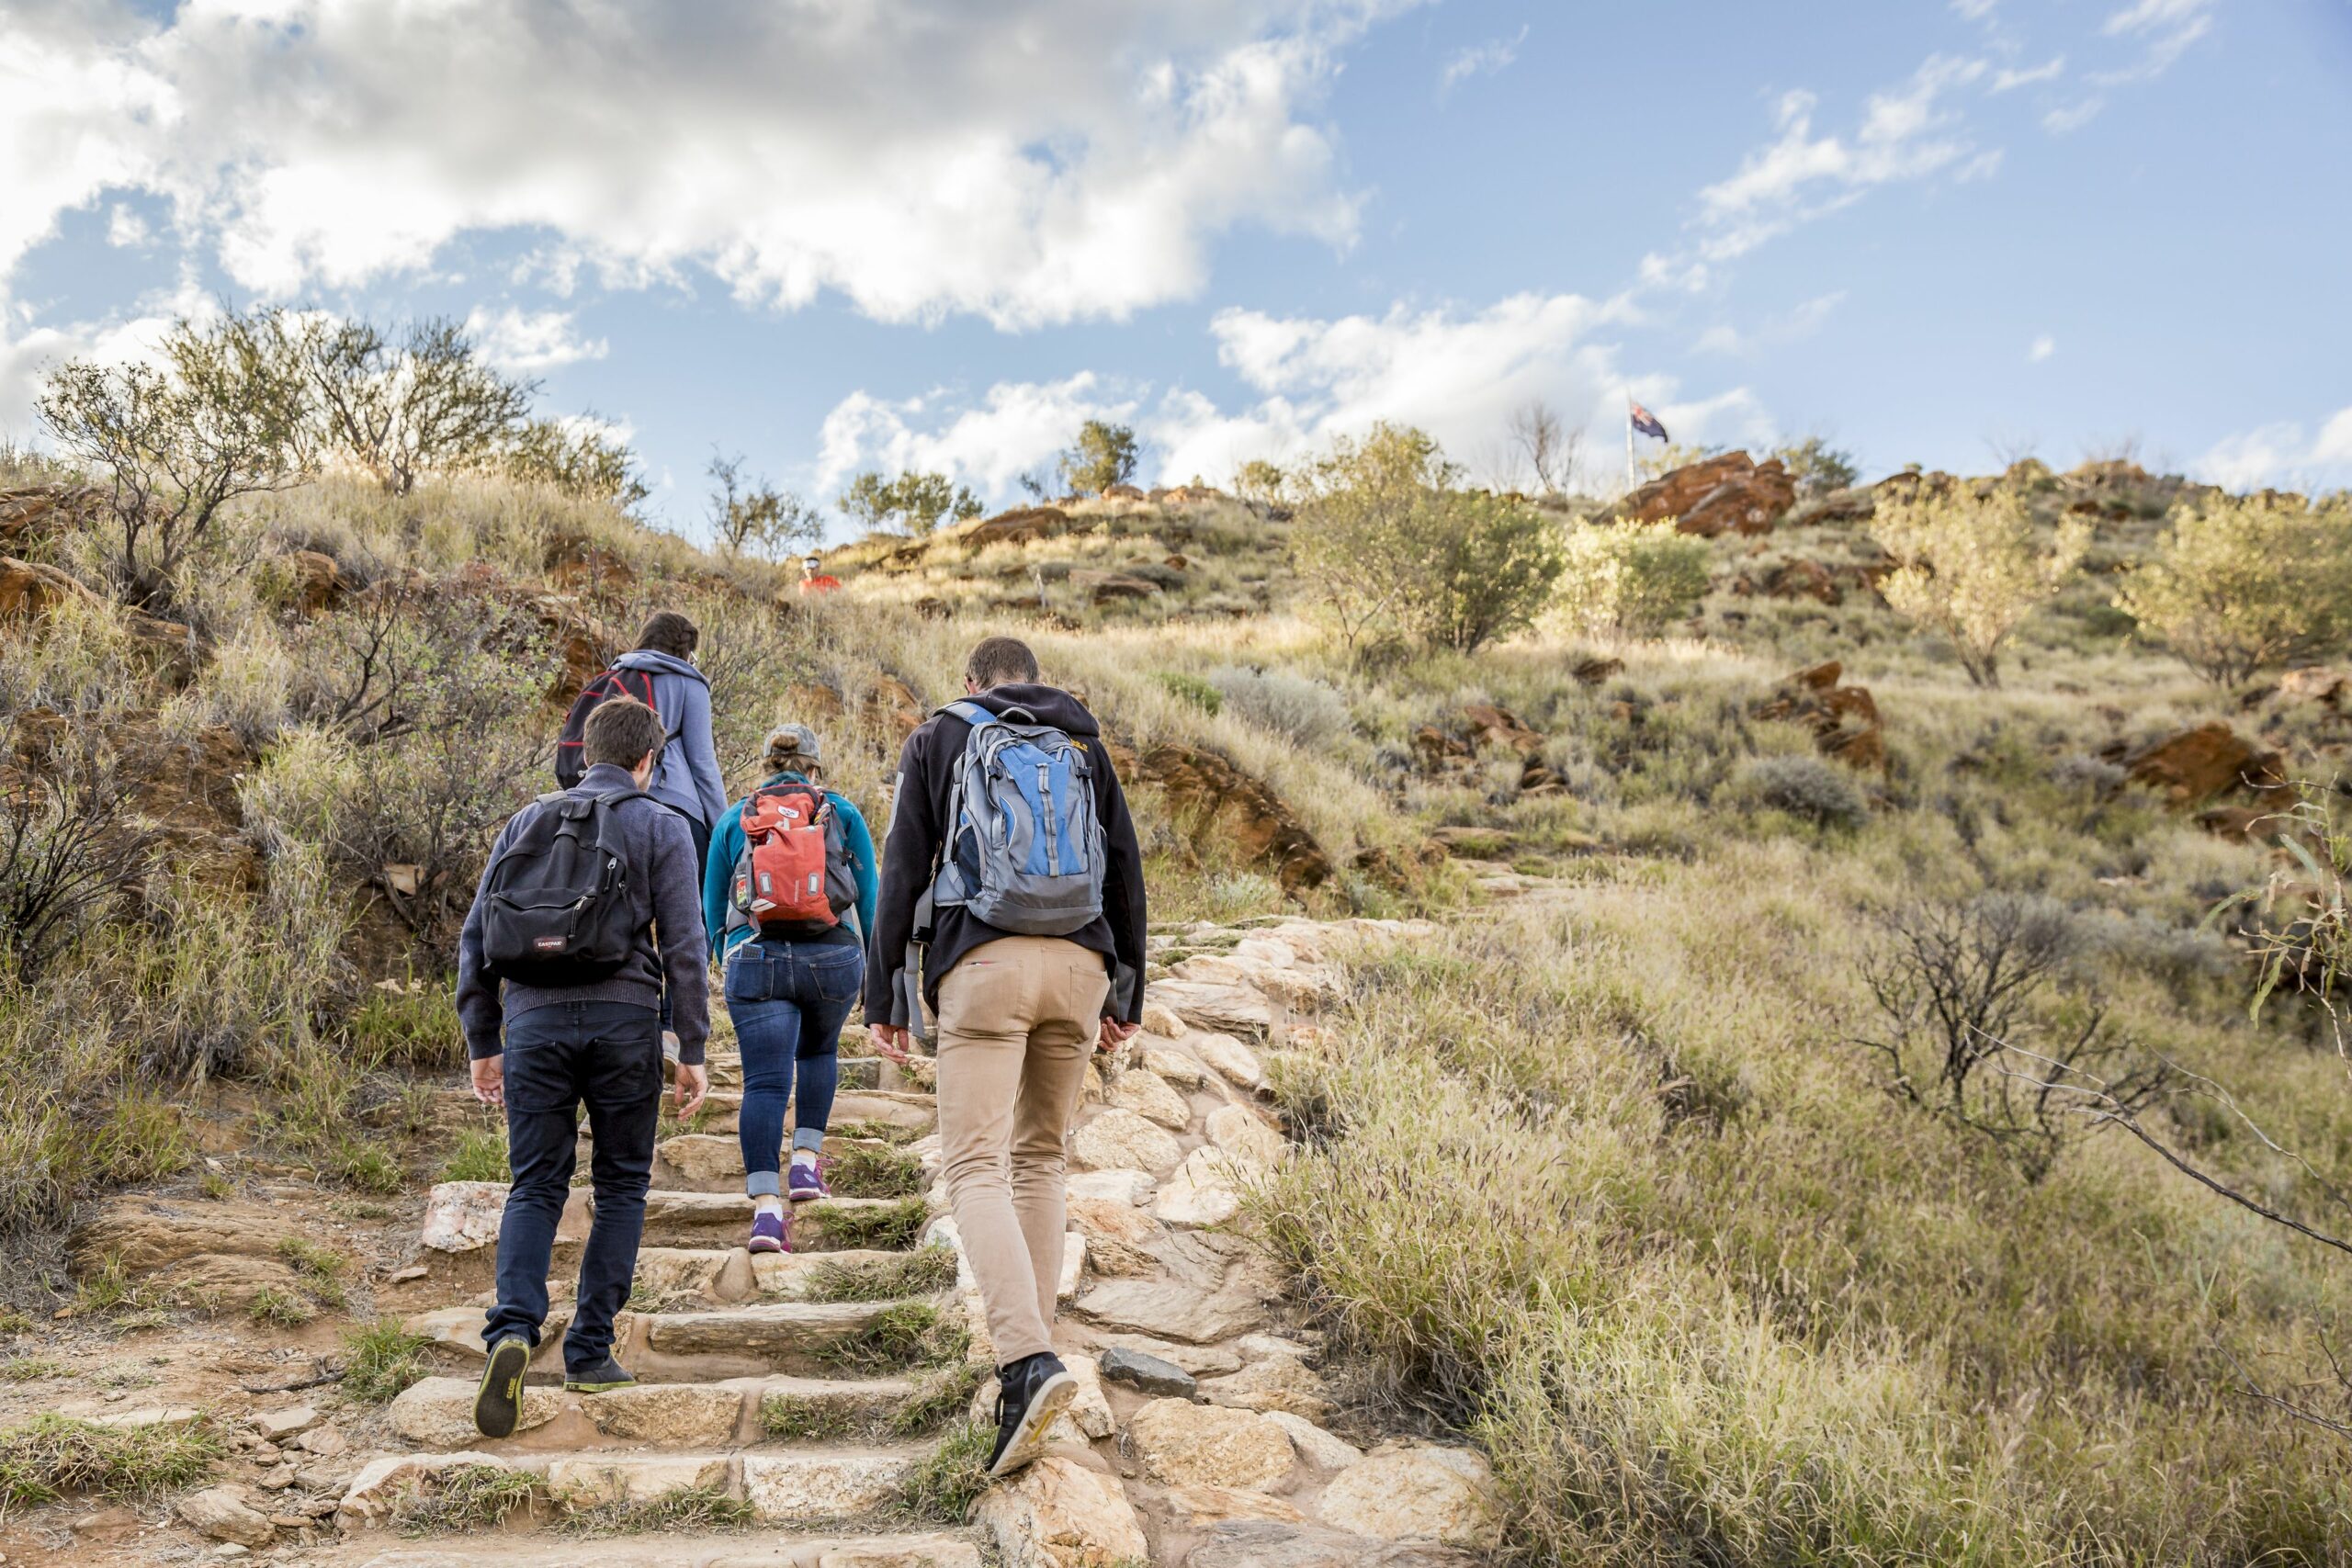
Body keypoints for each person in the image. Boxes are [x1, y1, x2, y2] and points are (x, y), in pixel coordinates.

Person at [866, 636, 1147, 1477]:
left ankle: (1026, 1364)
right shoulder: (1084, 742)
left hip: (982, 964)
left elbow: (902, 866)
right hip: (1080, 965)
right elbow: (1126, 870)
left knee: (975, 1167)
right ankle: (1040, 1356)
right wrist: (1126, 994)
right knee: (1041, 1162)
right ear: (1036, 678)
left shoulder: (940, 736)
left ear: (972, 681)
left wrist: (886, 992)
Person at [456, 696, 710, 1438]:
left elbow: (476, 939)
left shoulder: (526, 820)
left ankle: (512, 1328)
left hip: (532, 1023)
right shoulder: (660, 823)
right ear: (649, 762)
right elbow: (686, 946)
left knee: (535, 1181)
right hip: (624, 1020)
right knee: (622, 1182)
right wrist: (689, 1047)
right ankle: (590, 1349)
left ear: (582, 751)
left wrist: (484, 1040)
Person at [701, 724, 878, 1253]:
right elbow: (870, 897)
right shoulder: (841, 812)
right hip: (833, 957)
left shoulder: (736, 817)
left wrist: (725, 954)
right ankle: (804, 1166)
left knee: (764, 1084)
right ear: (815, 766)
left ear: (765, 765)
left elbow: (712, 904)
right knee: (819, 1051)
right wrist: (870, 966)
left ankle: (765, 1214)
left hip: (755, 959)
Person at [607, 611, 729, 874]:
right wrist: (723, 833)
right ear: (685, 650)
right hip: (676, 811)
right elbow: (703, 765)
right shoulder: (688, 682)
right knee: (693, 912)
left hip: (610, 814)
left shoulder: (615, 675)